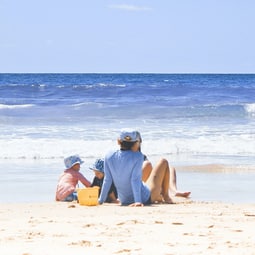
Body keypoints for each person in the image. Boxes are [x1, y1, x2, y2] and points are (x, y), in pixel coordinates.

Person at [99, 129, 173, 206]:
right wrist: (138, 201)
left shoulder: (109, 155)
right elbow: (135, 180)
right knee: (163, 162)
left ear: (118, 141)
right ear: (135, 143)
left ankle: (159, 195)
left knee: (146, 167)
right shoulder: (138, 156)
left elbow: (107, 180)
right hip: (145, 198)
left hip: (124, 200)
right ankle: (166, 196)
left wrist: (101, 200)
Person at [135, 131, 191, 198]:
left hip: (145, 183)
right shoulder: (134, 157)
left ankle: (174, 191)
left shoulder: (141, 156)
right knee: (151, 165)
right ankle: (166, 194)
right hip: (140, 186)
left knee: (170, 168)